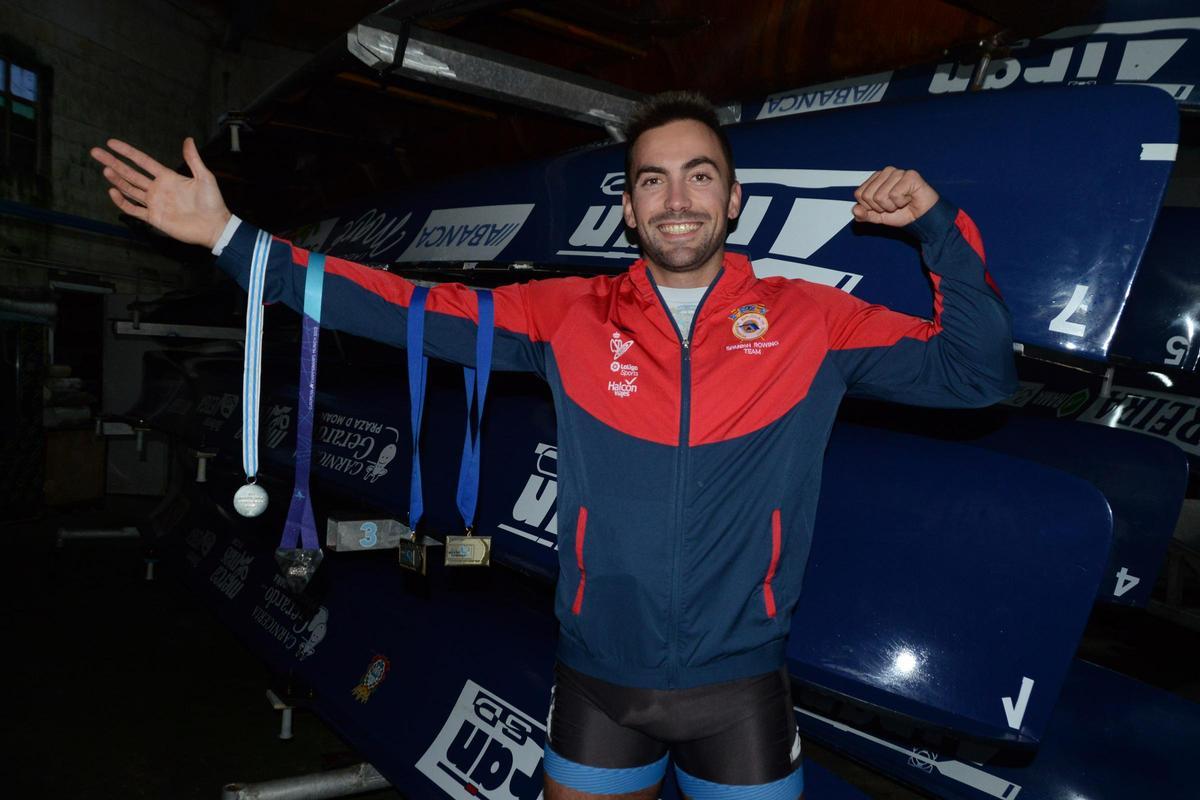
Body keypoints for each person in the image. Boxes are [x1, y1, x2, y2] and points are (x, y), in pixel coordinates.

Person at [92, 90, 1015, 800]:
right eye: (652, 178)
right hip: (597, 681)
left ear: (732, 200)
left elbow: (979, 376)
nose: (677, 197)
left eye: (699, 175)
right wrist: (231, 239)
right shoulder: (567, 313)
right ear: (628, 209)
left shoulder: (811, 320)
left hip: (744, 686)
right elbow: (404, 307)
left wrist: (937, 226)